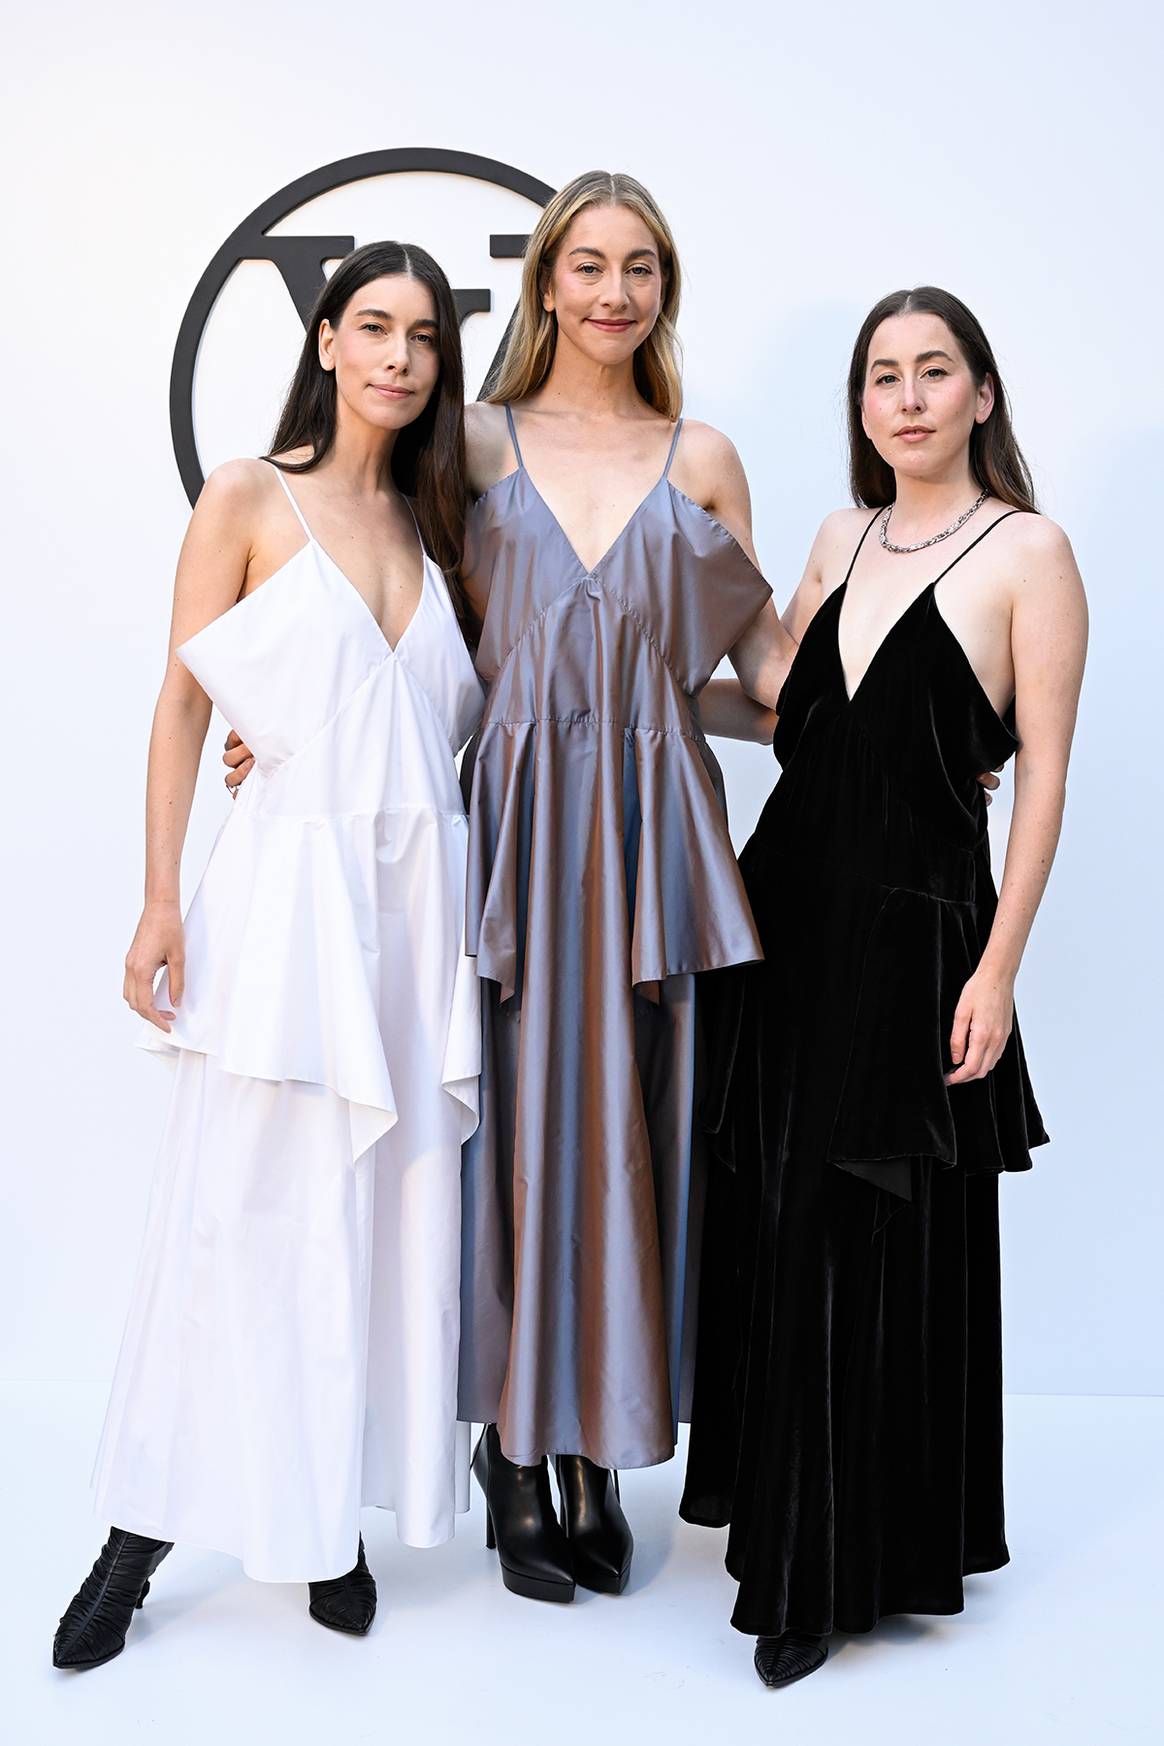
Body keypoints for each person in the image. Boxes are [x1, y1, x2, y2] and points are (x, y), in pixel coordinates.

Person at [53, 241, 484, 1671]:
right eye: (374, 326)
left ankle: (323, 1526)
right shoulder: (247, 492)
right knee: (230, 1211)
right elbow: (184, 709)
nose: (399, 358)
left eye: (424, 335)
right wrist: (158, 896)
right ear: (324, 333)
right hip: (281, 905)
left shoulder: (440, 528)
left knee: (366, 1223)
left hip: (413, 927)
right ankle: (138, 1531)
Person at [679, 286, 1088, 1687]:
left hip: (917, 936)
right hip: (783, 906)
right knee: (777, 1223)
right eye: (882, 378)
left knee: (863, 1236)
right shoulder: (838, 536)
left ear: (982, 392)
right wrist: (667, 683)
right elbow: (787, 704)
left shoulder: (1031, 552)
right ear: (861, 409)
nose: (907, 398)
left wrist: (999, 966)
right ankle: (796, 1541)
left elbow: (1039, 783)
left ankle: (841, 1568)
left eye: (934, 373)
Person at [454, 170, 793, 1602]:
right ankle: (516, 1455)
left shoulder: (701, 453)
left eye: (638, 267)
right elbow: (406, 638)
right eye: (586, 264)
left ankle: (598, 1448)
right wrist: (262, 729)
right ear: (542, 284)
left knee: (636, 1133)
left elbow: (756, 685)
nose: (612, 291)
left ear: (663, 289)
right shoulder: (471, 444)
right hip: (517, 830)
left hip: (653, 838)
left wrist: (914, 735)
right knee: (518, 1129)